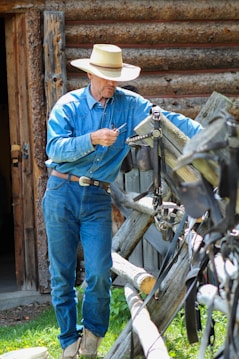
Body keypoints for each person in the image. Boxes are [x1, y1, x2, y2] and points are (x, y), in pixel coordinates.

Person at [42, 43, 203, 359]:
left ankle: (91, 340)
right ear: (90, 73)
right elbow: (55, 149)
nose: (111, 83)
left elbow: (166, 119)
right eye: (105, 77)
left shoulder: (129, 105)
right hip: (61, 191)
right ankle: (67, 342)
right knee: (61, 275)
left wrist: (206, 132)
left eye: (115, 77)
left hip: (97, 197)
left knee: (100, 271)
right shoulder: (68, 106)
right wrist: (91, 139)